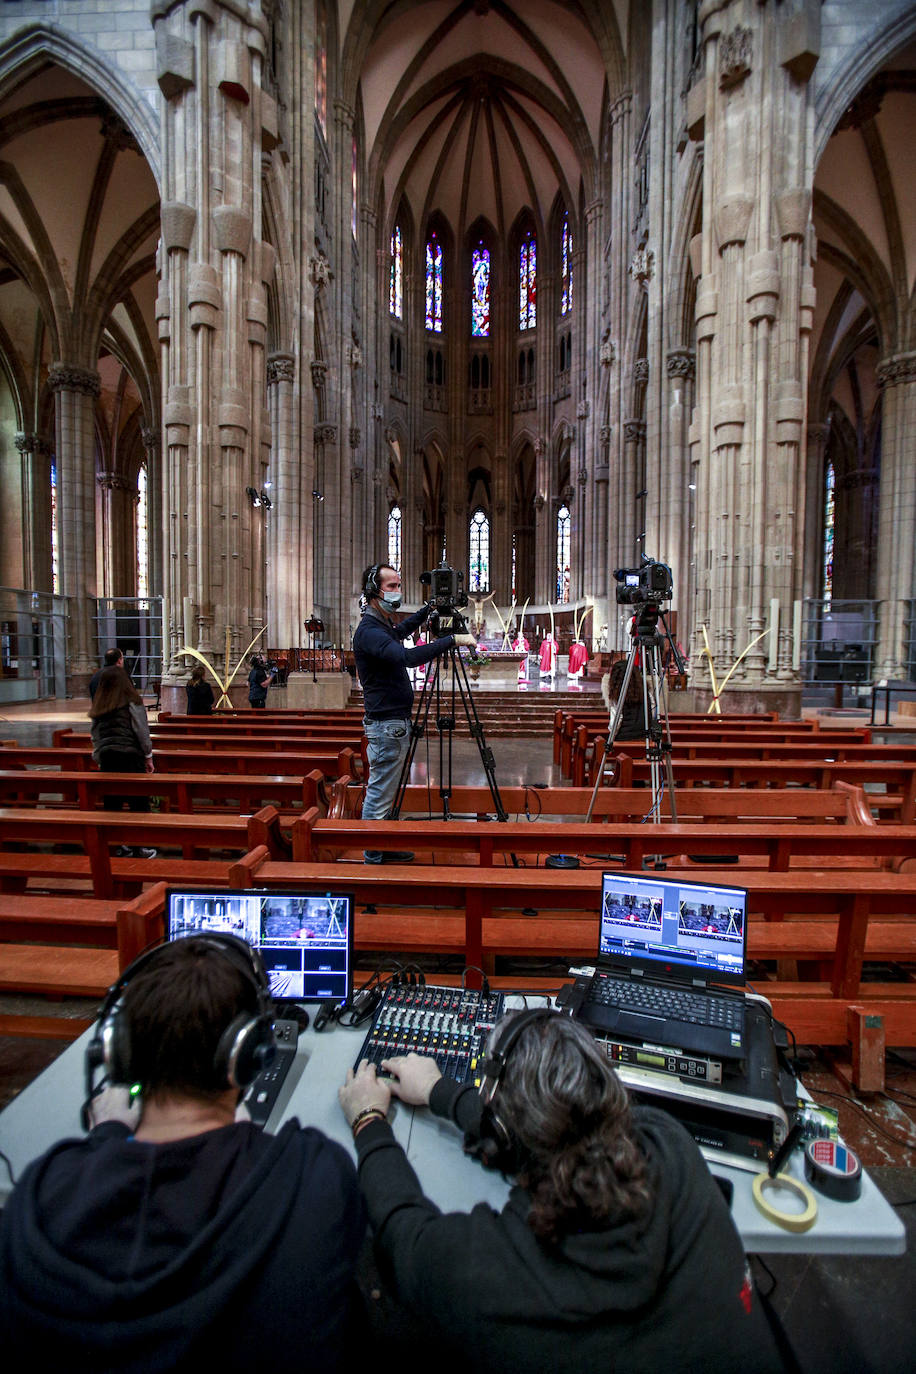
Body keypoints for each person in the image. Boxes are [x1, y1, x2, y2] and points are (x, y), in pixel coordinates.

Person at [338, 1010, 782, 1374]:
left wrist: (368, 1122)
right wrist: (442, 1092)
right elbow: (567, 1129)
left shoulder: (486, 1271)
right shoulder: (667, 1138)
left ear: (502, 1130)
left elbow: (402, 1236)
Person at [0, 934, 366, 1373]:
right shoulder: (313, 1177)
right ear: (250, 1056)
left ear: (121, 1056)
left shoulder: (39, 1199)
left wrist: (109, 1137)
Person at [352, 563, 476, 863]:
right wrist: (451, 640)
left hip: (391, 724)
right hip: (387, 726)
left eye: (398, 585)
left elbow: (400, 632)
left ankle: (381, 845)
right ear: (373, 591)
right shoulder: (369, 632)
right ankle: (372, 855)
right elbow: (407, 657)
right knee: (380, 795)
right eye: (392, 586)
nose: (397, 591)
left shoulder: (380, 626)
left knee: (386, 792)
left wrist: (426, 610)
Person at [88, 664, 156, 858]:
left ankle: (116, 846)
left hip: (108, 756)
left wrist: (98, 755)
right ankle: (139, 847)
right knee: (138, 803)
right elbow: (141, 729)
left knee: (113, 803)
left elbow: (95, 732)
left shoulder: (100, 703)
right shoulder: (131, 700)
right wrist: (148, 755)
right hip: (130, 755)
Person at [602, 657, 648, 741]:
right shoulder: (644, 691)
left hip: (623, 739)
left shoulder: (618, 693)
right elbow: (651, 709)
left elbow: (616, 722)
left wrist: (611, 736)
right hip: (643, 738)